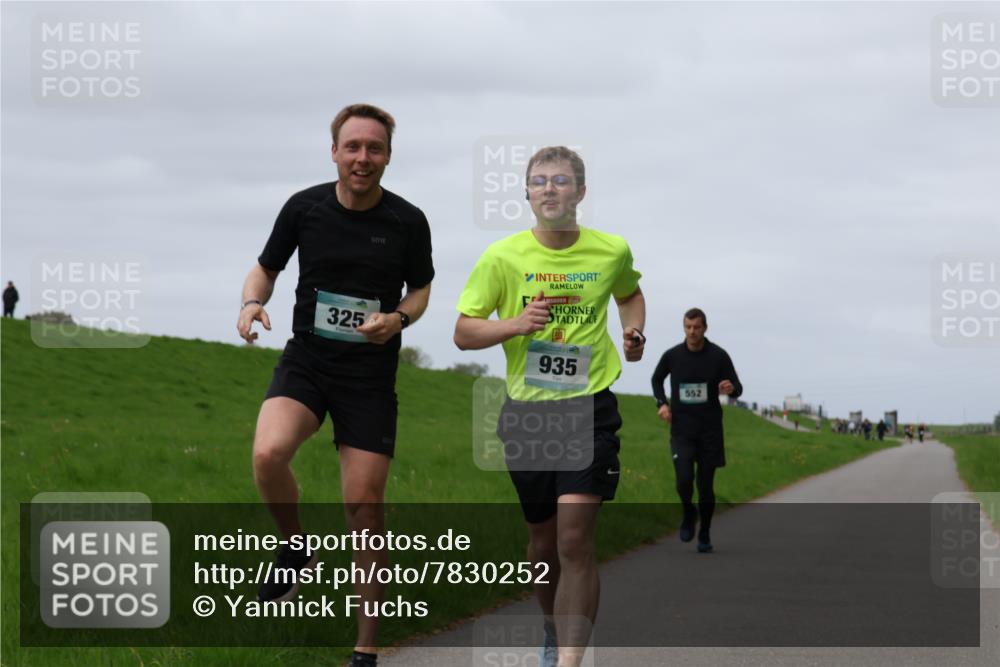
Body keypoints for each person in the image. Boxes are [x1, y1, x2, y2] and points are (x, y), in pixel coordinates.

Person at [237, 104, 433, 667]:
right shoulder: (304, 208)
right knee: (268, 453)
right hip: (308, 363)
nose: (363, 158)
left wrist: (398, 318)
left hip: (369, 378)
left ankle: (365, 651)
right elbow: (265, 268)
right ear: (334, 152)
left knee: (364, 507)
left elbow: (420, 290)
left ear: (388, 156)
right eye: (353, 147)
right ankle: (294, 546)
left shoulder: (407, 221)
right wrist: (252, 303)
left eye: (374, 149)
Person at [454, 146, 645, 667]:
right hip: (529, 414)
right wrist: (514, 324)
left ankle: (568, 660)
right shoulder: (503, 257)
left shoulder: (610, 250)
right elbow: (464, 333)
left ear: (580, 192)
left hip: (590, 408)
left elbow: (629, 293)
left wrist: (633, 330)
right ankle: (550, 626)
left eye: (561, 181)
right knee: (542, 548)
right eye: (539, 181)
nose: (550, 189)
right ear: (527, 194)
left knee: (575, 539)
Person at [651, 308, 743, 554]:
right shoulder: (672, 356)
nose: (692, 332)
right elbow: (656, 379)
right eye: (688, 327)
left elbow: (738, 388)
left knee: (705, 487)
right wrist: (662, 404)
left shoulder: (718, 356)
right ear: (684, 327)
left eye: (697, 327)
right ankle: (688, 511)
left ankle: (705, 533)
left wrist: (730, 388)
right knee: (683, 481)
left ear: (705, 328)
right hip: (681, 430)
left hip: (710, 431)